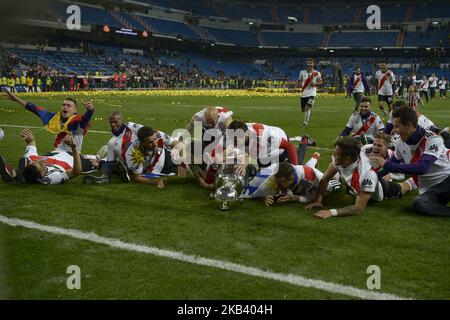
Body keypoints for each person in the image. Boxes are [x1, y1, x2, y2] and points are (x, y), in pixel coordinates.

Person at [305, 137, 413, 219]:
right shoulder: (340, 160)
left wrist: (331, 212)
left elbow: (358, 208)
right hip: (362, 184)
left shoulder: (366, 176)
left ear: (347, 159)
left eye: (336, 154)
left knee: (404, 187)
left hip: (382, 191)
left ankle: (415, 179)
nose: (333, 156)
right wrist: (318, 200)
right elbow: (325, 178)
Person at [371, 107, 450, 217]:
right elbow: (389, 167)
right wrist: (372, 177)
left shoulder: (433, 139)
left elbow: (422, 168)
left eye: (397, 126)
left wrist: (387, 164)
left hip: (447, 182)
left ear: (409, 126)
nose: (393, 130)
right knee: (419, 204)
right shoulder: (400, 142)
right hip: (431, 190)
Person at [3, 89, 94, 153]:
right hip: (57, 153)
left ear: (75, 110)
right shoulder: (55, 118)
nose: (65, 106)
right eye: (64, 105)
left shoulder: (77, 122)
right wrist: (17, 99)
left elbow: (85, 119)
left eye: (69, 105)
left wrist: (90, 111)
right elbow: (34, 108)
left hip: (72, 157)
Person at [0, 129, 82, 184]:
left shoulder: (32, 161)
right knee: (94, 161)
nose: (40, 161)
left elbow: (31, 143)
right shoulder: (52, 177)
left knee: (26, 159)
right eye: (40, 164)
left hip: (56, 153)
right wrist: (74, 148)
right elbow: (77, 171)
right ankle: (18, 174)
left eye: (36, 162)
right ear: (43, 173)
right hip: (75, 158)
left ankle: (16, 173)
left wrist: (30, 139)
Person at [83, 111, 142, 184]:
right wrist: (100, 164)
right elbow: (110, 162)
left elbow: (148, 132)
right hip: (129, 166)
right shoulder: (111, 142)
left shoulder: (131, 127)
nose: (113, 124)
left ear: (122, 121)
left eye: (115, 122)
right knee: (111, 165)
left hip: (143, 160)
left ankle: (123, 173)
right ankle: (104, 178)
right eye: (111, 122)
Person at [226, 120, 299, 175]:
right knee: (262, 172)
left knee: (284, 173)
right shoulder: (240, 131)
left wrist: (296, 170)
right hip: (262, 151)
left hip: (277, 148)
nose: (234, 143)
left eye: (236, 140)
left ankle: (304, 142)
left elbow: (290, 146)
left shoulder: (263, 137)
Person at [297, 58, 322, 127]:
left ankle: (305, 123)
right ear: (306, 64)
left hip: (312, 93)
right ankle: (309, 111)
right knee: (303, 109)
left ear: (313, 64)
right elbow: (299, 80)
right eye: (308, 63)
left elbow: (321, 82)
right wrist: (295, 86)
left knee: (307, 107)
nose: (309, 64)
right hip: (304, 93)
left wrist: (314, 84)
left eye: (311, 63)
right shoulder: (302, 72)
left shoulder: (317, 73)